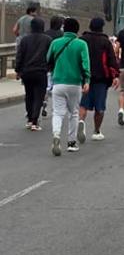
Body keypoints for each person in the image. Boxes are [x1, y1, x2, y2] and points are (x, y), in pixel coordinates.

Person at [46, 18, 90, 155]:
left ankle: (56, 135)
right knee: (74, 113)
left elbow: (48, 59)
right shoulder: (81, 44)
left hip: (58, 82)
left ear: (63, 29)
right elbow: (85, 64)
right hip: (75, 83)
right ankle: (71, 143)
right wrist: (87, 80)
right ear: (77, 29)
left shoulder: (55, 43)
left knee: (58, 113)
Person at [80, 17, 117, 142]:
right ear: (102, 27)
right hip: (101, 78)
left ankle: (81, 122)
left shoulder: (82, 39)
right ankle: (96, 131)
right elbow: (112, 60)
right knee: (99, 107)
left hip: (85, 77)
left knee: (83, 104)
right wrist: (115, 76)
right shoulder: (105, 41)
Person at [15, 17, 51, 131]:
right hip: (41, 71)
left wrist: (18, 70)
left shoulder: (25, 40)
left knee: (29, 95)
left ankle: (29, 119)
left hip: (27, 72)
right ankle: (35, 121)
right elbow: (50, 56)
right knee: (39, 97)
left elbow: (19, 55)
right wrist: (49, 68)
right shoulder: (47, 39)